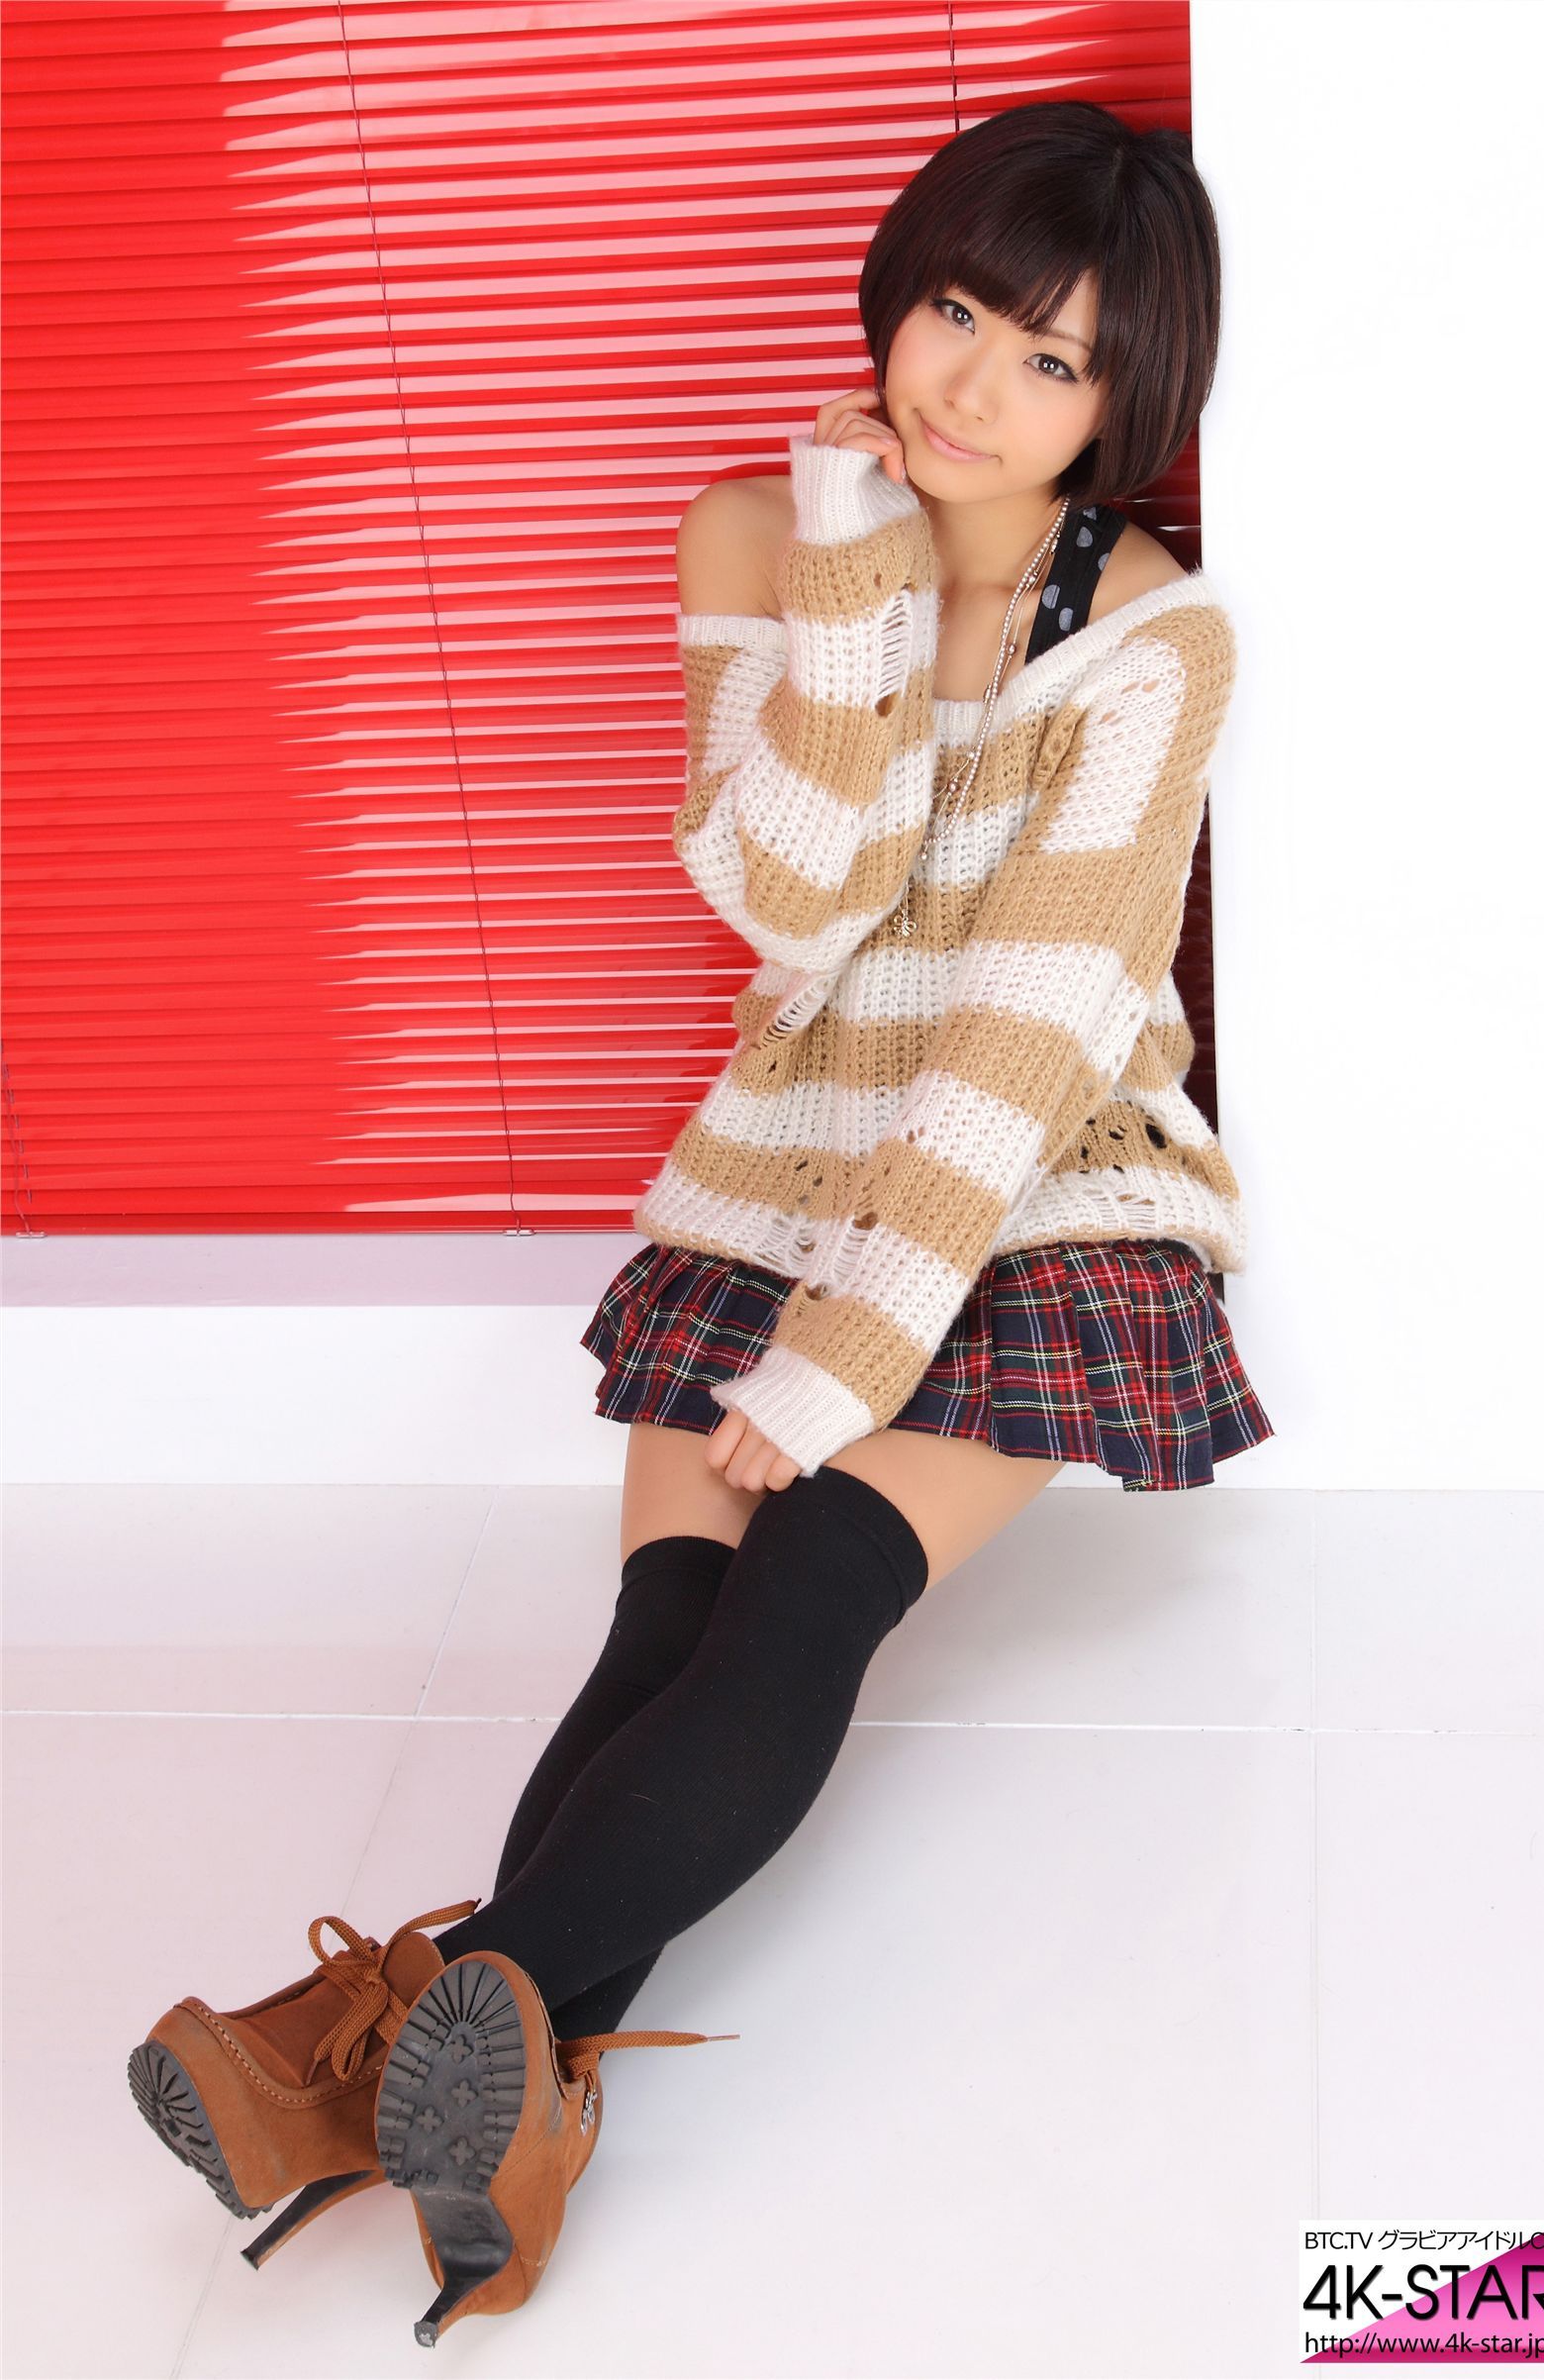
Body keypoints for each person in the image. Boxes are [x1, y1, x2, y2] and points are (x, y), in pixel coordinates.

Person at [127, 96, 1275, 2347]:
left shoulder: (1149, 633)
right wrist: (851, 573)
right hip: (776, 1166)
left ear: (1121, 401)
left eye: (1048, 361)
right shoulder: (766, 527)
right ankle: (504, 2111)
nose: (969, 386)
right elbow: (787, 899)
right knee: (656, 1636)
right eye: (957, 312)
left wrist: (851, 1348)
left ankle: (347, 2069)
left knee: (796, 1608)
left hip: (1043, 1191)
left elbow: (1037, 1018)